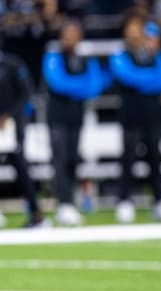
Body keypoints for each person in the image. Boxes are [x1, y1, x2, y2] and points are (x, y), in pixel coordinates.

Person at [42, 19, 110, 226]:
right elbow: (57, 83)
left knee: (73, 159)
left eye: (75, 34)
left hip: (76, 116)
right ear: (62, 36)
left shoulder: (85, 59)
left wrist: (78, 88)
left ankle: (71, 201)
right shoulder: (53, 57)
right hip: (57, 117)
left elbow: (96, 86)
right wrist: (82, 88)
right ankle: (63, 204)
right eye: (68, 33)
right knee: (60, 160)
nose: (71, 38)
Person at [110, 18, 161, 223]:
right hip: (131, 115)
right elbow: (127, 76)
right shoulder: (120, 55)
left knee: (156, 159)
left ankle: (160, 201)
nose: (136, 34)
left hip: (154, 115)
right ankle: (124, 201)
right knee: (128, 159)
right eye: (132, 30)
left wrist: (144, 81)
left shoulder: (157, 55)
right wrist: (148, 80)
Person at [0, 42, 46, 227]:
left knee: (21, 167)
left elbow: (26, 93)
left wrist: (7, 115)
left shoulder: (13, 64)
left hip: (11, 127)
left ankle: (36, 213)